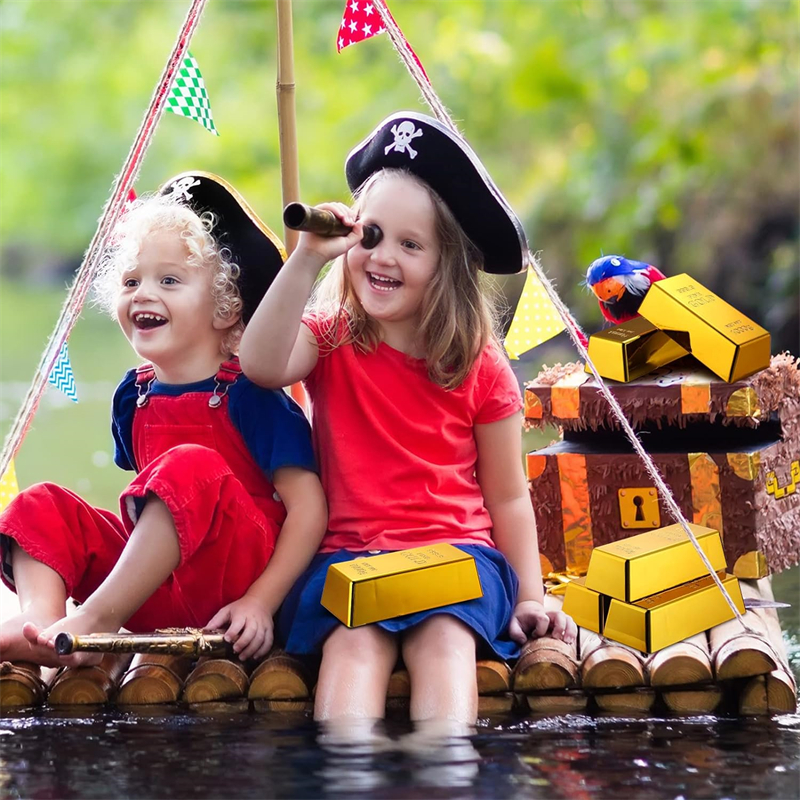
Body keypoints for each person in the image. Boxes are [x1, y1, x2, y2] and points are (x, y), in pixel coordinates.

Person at [239, 112, 576, 726]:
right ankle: (349, 774)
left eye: (410, 244)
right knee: (352, 644)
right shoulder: (331, 335)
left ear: (447, 264)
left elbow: (507, 497)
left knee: (445, 639)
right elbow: (260, 365)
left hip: (456, 553)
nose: (382, 257)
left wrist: (531, 593)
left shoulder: (478, 364)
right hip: (349, 558)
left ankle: (443, 769)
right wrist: (306, 260)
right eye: (371, 236)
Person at [0, 172, 327, 668]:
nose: (143, 294)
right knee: (40, 505)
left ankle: (94, 619)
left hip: (234, 585)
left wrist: (262, 601)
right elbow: (152, 516)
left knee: (188, 466)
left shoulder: (252, 395)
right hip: (164, 588)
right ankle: (43, 627)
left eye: (168, 280)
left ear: (225, 307)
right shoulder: (136, 395)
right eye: (132, 281)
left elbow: (309, 511)